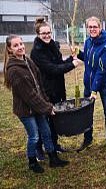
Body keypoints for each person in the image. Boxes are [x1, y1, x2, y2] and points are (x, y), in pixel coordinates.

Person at [3, 35, 69, 173]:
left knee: (46, 132)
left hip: (38, 107)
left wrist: (47, 102)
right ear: (9, 49)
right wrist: (47, 108)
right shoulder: (14, 70)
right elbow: (30, 96)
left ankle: (53, 158)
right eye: (15, 45)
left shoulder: (27, 61)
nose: (20, 47)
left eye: (21, 44)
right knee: (34, 136)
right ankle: (32, 161)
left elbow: (39, 86)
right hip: (26, 111)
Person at [30, 18, 79, 157]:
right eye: (43, 33)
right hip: (45, 91)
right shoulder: (37, 52)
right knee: (43, 122)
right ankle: (39, 150)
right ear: (38, 34)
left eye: (48, 32)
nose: (47, 35)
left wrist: (71, 58)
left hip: (57, 89)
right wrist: (71, 65)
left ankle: (54, 144)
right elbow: (52, 69)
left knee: (54, 120)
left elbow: (59, 63)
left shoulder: (53, 46)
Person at [76, 16, 106, 152]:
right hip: (88, 83)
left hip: (103, 85)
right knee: (86, 113)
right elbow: (87, 59)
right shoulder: (88, 42)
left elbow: (101, 70)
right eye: (90, 27)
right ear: (87, 29)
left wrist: (94, 91)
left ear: (100, 28)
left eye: (95, 27)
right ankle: (88, 139)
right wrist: (77, 53)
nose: (92, 29)